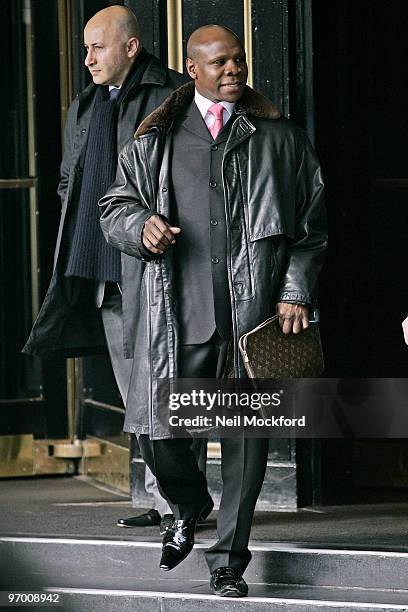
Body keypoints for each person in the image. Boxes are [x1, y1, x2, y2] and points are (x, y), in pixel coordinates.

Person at [99, 24, 327, 597]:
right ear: (192, 68)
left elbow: (311, 226)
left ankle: (229, 560)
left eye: (240, 61)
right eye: (220, 62)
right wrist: (138, 225)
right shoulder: (154, 138)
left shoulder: (280, 138)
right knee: (157, 433)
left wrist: (295, 290)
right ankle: (190, 502)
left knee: (248, 447)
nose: (234, 71)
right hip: (180, 315)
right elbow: (114, 205)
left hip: (253, 319)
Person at [22, 5, 206, 533]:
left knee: (164, 390)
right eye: (84, 49)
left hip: (156, 267)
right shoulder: (83, 105)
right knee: (137, 393)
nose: (87, 59)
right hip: (103, 267)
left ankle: (183, 504)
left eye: (97, 48)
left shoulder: (172, 93)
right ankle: (170, 500)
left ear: (130, 47)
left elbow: (192, 182)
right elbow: (68, 183)